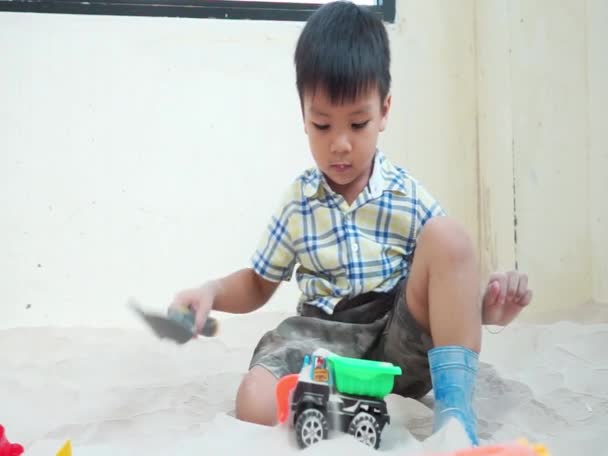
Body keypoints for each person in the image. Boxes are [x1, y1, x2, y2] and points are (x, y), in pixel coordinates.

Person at [169, 1, 533, 446]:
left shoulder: (406, 194)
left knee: (449, 236)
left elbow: (446, 276)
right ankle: (336, 415)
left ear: (384, 112)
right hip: (323, 340)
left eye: (358, 124)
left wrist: (485, 307)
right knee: (254, 401)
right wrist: (210, 292)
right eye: (322, 125)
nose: (340, 144)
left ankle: (455, 417)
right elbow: (258, 284)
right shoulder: (299, 203)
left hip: (396, 343)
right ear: (303, 117)